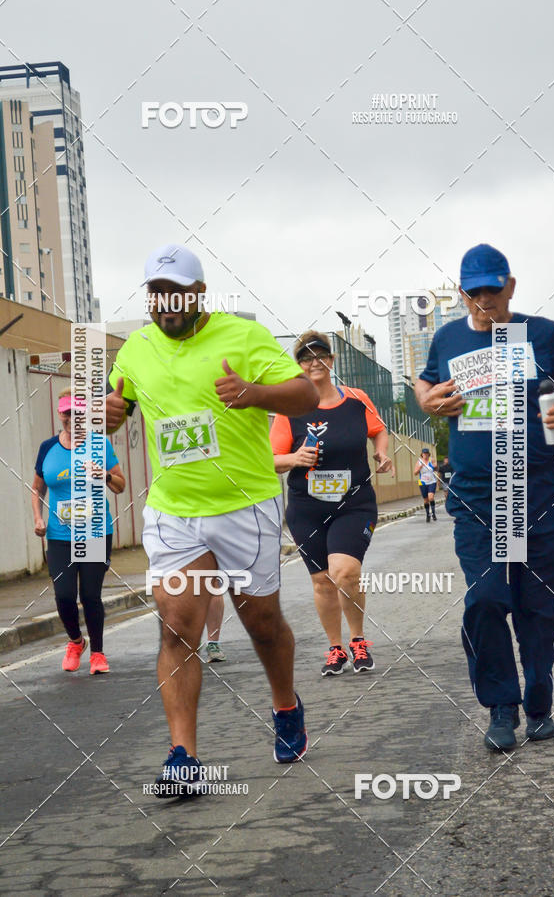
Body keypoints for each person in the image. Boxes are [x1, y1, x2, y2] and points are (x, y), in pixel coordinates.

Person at [106, 244, 319, 796]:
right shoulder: (135, 349)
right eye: (155, 291)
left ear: (199, 293)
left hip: (245, 504)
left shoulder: (242, 337)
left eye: (175, 290)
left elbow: (303, 393)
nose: (164, 301)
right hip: (175, 511)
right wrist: (104, 414)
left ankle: (285, 705)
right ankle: (183, 755)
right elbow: (112, 410)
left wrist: (254, 394)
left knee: (262, 624)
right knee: (178, 626)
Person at [416, 243, 554, 751]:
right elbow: (425, 383)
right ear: (461, 295)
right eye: (473, 293)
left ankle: (539, 700)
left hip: (539, 492)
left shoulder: (539, 333)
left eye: (492, 291)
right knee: (487, 600)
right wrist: (426, 397)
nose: (483, 301)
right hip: (478, 499)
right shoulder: (448, 337)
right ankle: (501, 707)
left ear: (510, 287)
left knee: (539, 609)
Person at [270, 331, 393, 677]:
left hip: (354, 504)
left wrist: (380, 452)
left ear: (332, 360)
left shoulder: (356, 399)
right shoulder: (289, 411)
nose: (314, 362)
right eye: (306, 358)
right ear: (299, 366)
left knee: (345, 572)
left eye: (320, 355)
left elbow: (379, 429)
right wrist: (295, 457)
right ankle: (335, 648)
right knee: (323, 581)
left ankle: (358, 640)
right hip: (307, 508)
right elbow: (271, 460)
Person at [31, 388, 126, 674]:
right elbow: (37, 489)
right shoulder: (47, 448)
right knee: (63, 595)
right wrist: (38, 518)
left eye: (79, 413)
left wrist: (106, 475)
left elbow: (120, 485)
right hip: (59, 535)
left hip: (95, 530)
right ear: (60, 414)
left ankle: (97, 653)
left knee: (91, 595)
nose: (73, 417)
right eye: (68, 412)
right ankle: (75, 641)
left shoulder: (100, 445)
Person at [414, 448, 437, 521]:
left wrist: (434, 466)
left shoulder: (431, 460)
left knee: (431, 497)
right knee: (426, 500)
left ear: (428, 454)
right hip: (423, 482)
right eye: (424, 454)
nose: (425, 455)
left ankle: (433, 513)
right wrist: (420, 467)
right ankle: (428, 514)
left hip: (432, 481)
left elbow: (436, 468)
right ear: (422, 454)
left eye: (427, 453)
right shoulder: (419, 462)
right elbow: (415, 473)